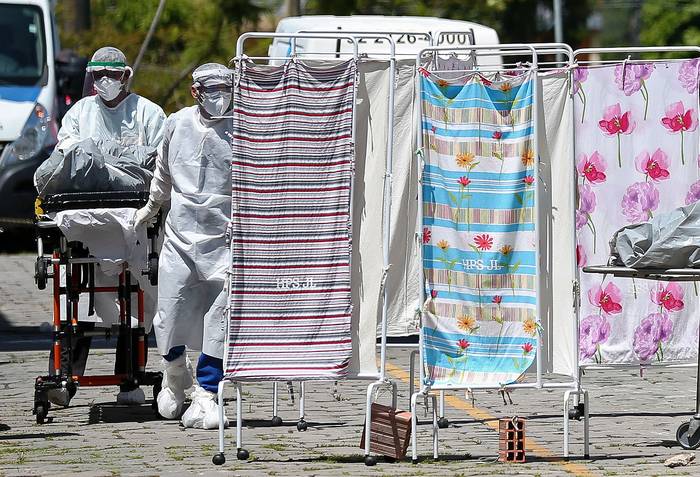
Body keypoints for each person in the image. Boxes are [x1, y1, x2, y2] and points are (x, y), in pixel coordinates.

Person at [46, 46, 166, 406]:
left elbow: (160, 160)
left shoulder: (148, 113)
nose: (105, 82)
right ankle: (66, 376)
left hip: (135, 216)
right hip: (89, 219)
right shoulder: (81, 112)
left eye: (112, 75)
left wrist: (121, 163)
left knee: (140, 302)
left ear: (126, 76)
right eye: (98, 75)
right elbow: (68, 155)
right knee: (82, 300)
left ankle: (129, 378)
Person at [134, 63, 232, 428]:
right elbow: (163, 170)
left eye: (226, 88)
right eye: (213, 88)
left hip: (224, 238)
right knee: (169, 310)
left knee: (220, 317)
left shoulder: (242, 129)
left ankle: (207, 392)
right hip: (179, 234)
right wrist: (150, 206)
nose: (220, 96)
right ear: (196, 92)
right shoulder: (177, 123)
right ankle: (174, 371)